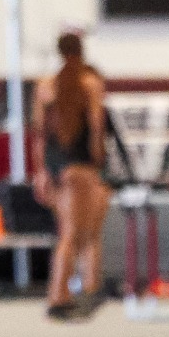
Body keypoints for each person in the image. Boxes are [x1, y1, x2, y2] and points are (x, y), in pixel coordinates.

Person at [32, 33, 110, 320]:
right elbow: (96, 128)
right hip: (80, 163)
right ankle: (59, 293)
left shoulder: (45, 86)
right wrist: (99, 163)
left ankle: (74, 290)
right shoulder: (90, 84)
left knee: (69, 230)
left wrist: (41, 171)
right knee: (77, 233)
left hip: (55, 165)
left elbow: (40, 134)